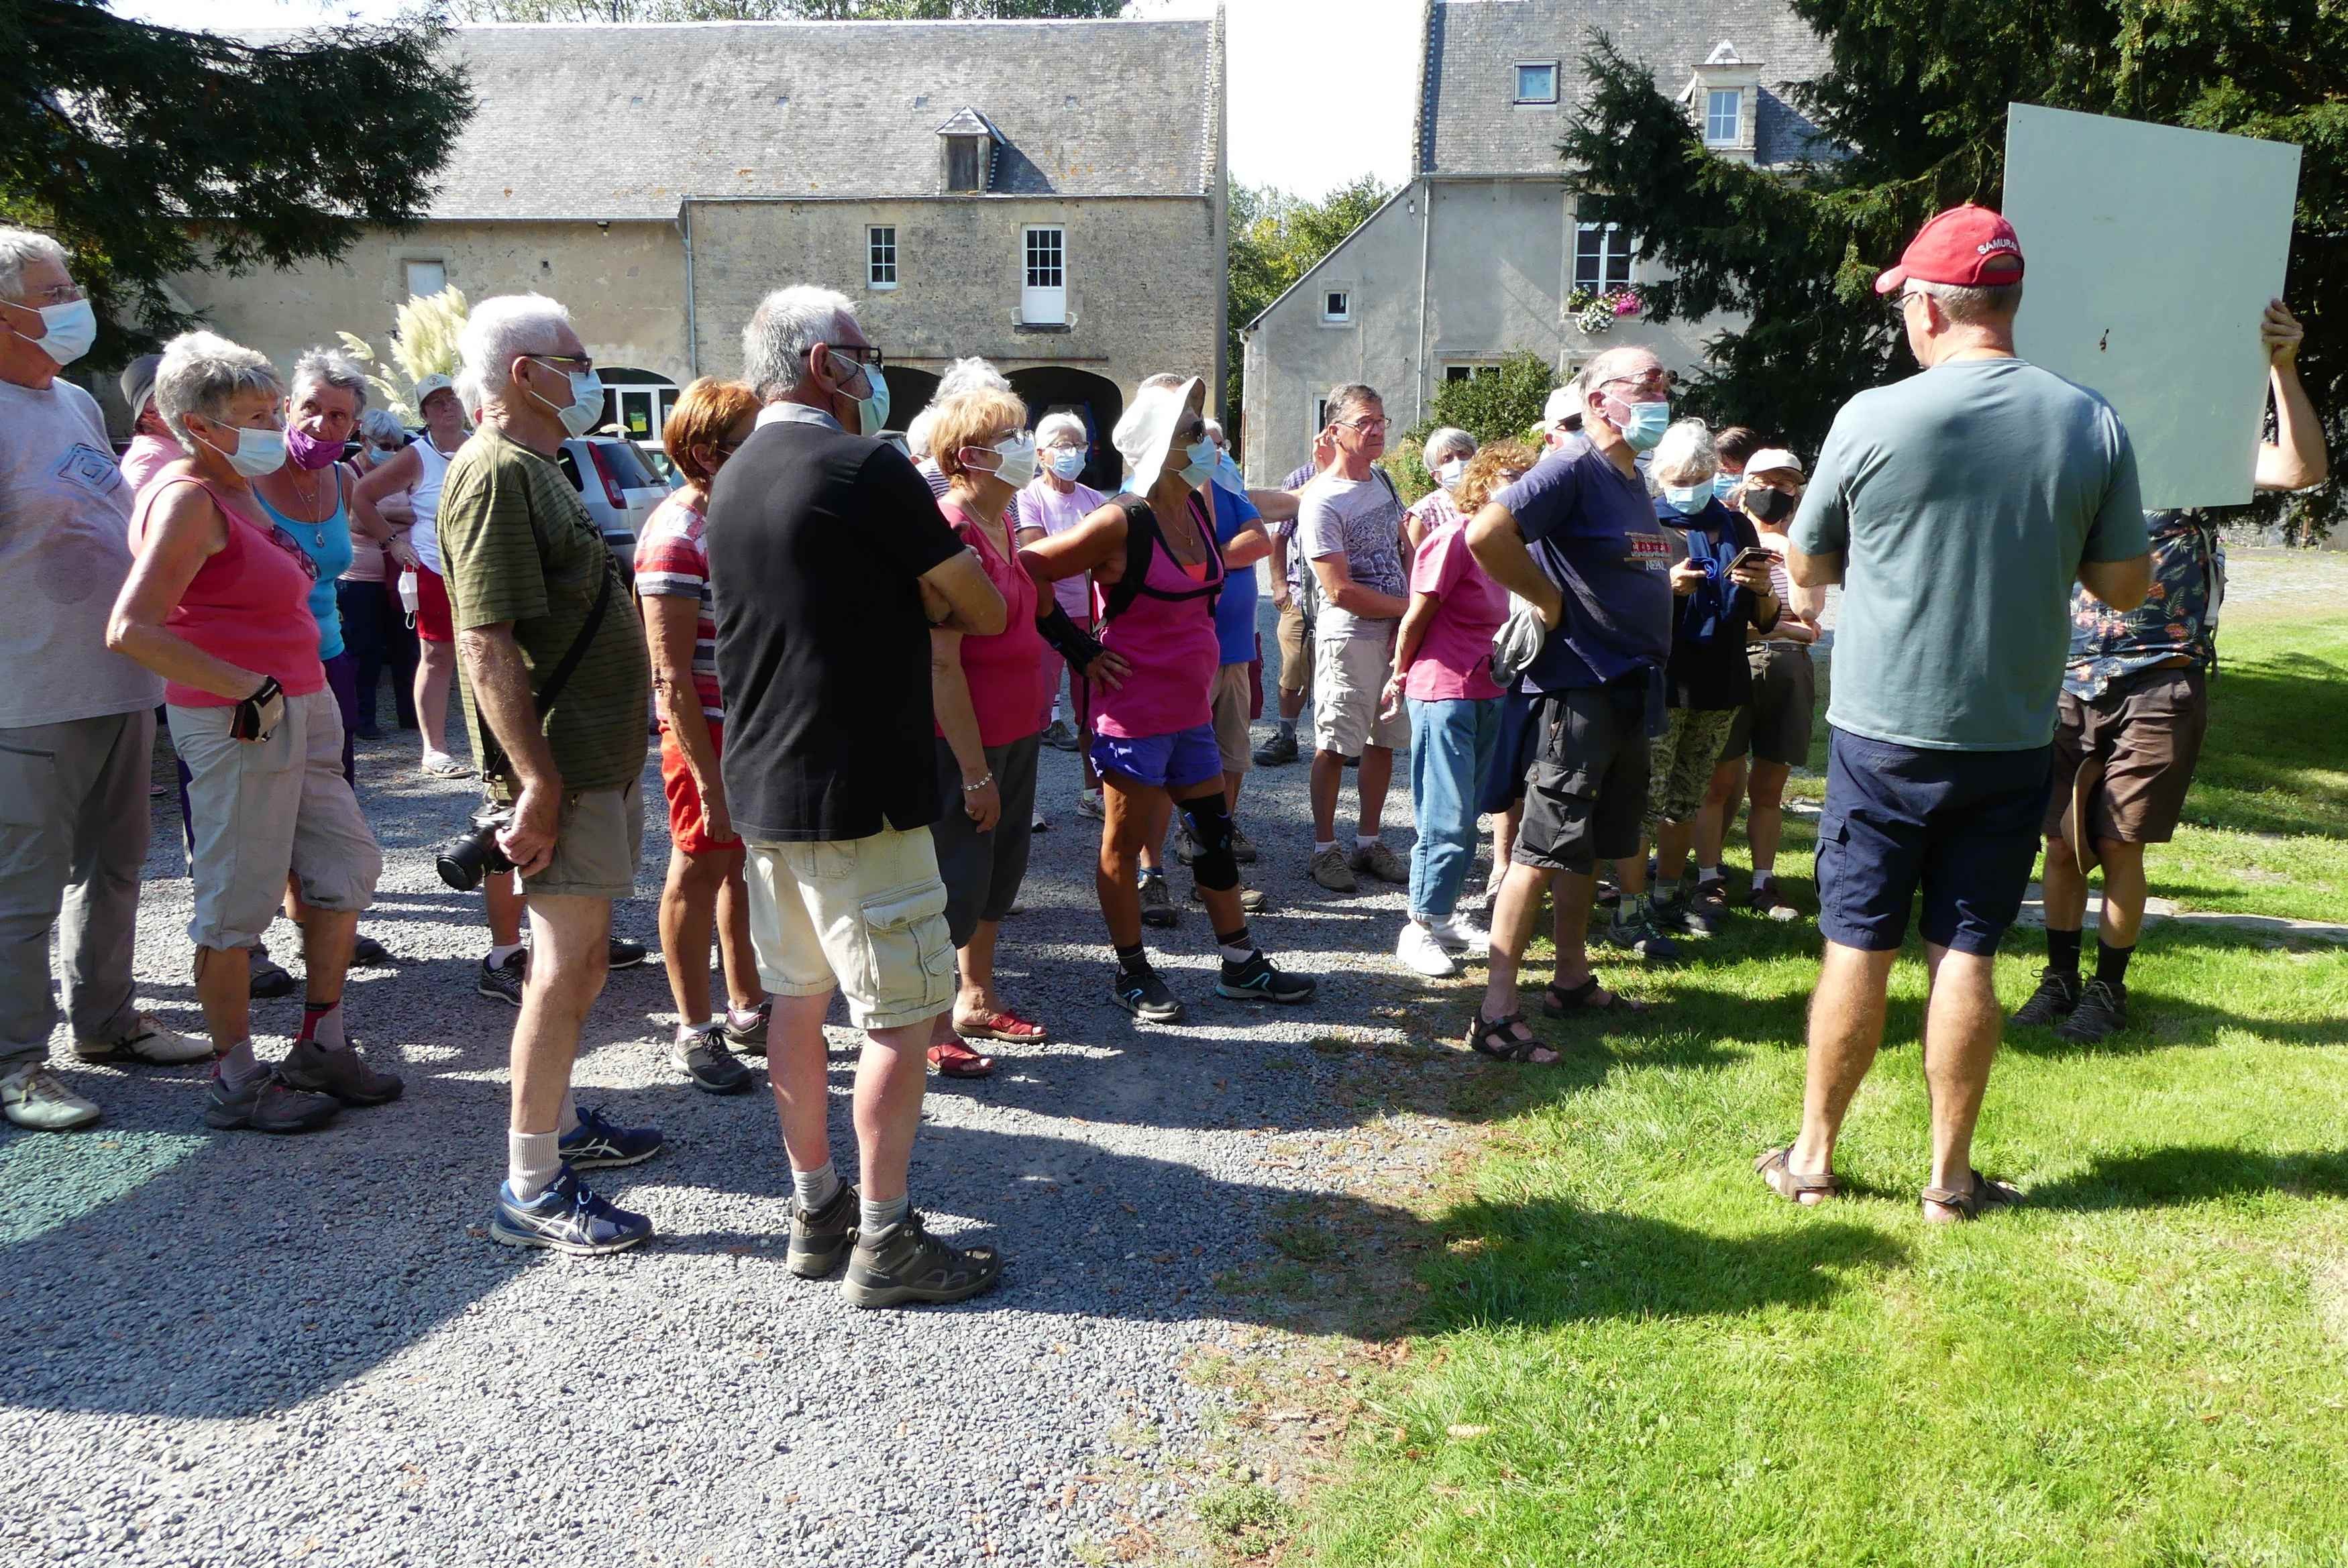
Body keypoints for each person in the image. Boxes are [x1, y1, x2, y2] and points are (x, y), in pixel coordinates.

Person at [1762, 205, 2149, 1223]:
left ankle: (1812, 1157)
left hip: (1884, 730)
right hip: (2012, 732)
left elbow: (1805, 563)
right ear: (2008, 303)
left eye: (1905, 303)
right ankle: (1948, 1180)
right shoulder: (2090, 419)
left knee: (1857, 941)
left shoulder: (1873, 417)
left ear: (1929, 307)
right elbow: (2124, 584)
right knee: (1968, 950)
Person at [709, 284, 1010, 1306]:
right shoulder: (861, 463)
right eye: (859, 350)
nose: (873, 367)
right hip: (862, 785)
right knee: (901, 1013)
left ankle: (817, 1206)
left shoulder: (737, 469)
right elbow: (977, 601)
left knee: (796, 1001)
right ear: (818, 365)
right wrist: (926, 585)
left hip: (767, 787)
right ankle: (886, 1240)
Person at [108, 330, 398, 1133]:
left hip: (300, 703)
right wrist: (248, 688)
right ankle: (236, 1079)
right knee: (236, 905)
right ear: (197, 424)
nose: (276, 425)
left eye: (275, 407)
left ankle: (321, 1041)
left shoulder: (241, 486)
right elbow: (131, 627)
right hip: (241, 717)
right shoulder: (187, 497)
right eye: (255, 413)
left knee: (345, 867)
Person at [2017, 298, 2327, 1044]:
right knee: (2060, 844)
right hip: (2064, 677)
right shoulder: (2070, 450)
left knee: (2119, 843)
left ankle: (2106, 990)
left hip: (2159, 677)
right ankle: (2057, 978)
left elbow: (2300, 467)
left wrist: (2281, 367)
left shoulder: (2190, 455)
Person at [437, 293, 665, 1255]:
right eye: (576, 359)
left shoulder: (534, 465)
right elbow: (484, 642)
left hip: (588, 767)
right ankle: (530, 1185)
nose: (591, 374)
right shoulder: (493, 473)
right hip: (561, 774)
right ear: (526, 374)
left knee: (574, 964)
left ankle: (562, 1126)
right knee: (563, 969)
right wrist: (532, 779)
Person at [1020, 374, 1318, 1023]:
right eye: (1191, 432)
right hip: (1133, 713)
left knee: (1211, 833)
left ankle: (1239, 963)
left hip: (1189, 711)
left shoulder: (1199, 507)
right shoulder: (1119, 519)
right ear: (1161, 446)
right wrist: (1081, 651)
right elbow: (1032, 568)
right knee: (1124, 844)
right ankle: (1131, 972)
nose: (1207, 441)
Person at [0, 227, 206, 1133]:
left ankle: (109, 1023)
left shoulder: (78, 403)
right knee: (21, 891)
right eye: (53, 291)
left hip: (115, 681)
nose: (74, 301)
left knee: (116, 866)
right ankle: (14, 1064)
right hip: (22, 695)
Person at [1463, 346, 1681, 1064]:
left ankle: (1570, 980)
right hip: (1578, 686)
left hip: (1624, 685)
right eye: (1645, 384)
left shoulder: (1629, 478)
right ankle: (1495, 1011)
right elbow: (1485, 532)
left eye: (1664, 383)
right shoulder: (1571, 468)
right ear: (1598, 399)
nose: (1659, 394)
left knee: (1583, 846)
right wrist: (1545, 599)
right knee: (1540, 847)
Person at [923, 385, 1121, 1078]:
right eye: (1009, 437)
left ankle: (976, 995)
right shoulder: (950, 528)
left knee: (1000, 869)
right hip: (962, 741)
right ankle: (928, 1021)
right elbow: (941, 661)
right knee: (955, 873)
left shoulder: (1006, 523)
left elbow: (1035, 616)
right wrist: (973, 771)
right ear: (969, 455)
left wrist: (1084, 650)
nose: (1024, 446)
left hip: (1017, 726)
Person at [637, 376, 771, 1097]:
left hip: (750, 732)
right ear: (705, 452)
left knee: (738, 868)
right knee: (696, 869)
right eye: (751, 442)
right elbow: (670, 677)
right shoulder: (675, 534)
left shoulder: (733, 520)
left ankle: (748, 1006)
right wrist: (708, 780)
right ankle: (694, 1027)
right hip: (706, 736)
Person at [246, 347, 398, 968]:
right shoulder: (249, 474)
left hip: (327, 655)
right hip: (255, 663)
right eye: (310, 408)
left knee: (329, 794)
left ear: (355, 424)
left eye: (339, 415)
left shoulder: (343, 480)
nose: (322, 426)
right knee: (253, 798)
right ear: (288, 407)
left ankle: (322, 916)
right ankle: (243, 942)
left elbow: (352, 544)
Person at [1383, 439, 1530, 977]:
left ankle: (1441, 917)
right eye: (1509, 474)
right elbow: (1414, 619)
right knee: (1443, 818)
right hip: (1443, 690)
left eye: (1526, 475)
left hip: (1489, 688)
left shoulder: (1510, 543)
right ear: (1484, 482)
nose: (1519, 484)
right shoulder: (1452, 539)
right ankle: (1417, 927)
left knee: (1467, 815)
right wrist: (1400, 676)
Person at [1637, 421, 1780, 940]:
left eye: (1699, 474)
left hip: (1720, 681)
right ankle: (1631, 908)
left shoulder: (1736, 526)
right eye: (1679, 475)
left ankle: (1668, 896)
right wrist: (1666, 590)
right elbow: (1618, 609)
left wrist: (1762, 587)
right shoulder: (1646, 523)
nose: (1690, 484)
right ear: (1661, 475)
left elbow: (1764, 618)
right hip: (1663, 681)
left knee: (1688, 797)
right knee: (1646, 800)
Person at [1696, 447, 1825, 921]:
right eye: (1766, 481)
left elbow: (1809, 615)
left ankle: (1763, 882)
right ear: (1744, 484)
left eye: (1788, 484)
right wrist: (1784, 628)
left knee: (1770, 788)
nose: (1776, 492)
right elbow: (1724, 617)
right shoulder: (1722, 534)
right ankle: (1708, 876)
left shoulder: (1802, 545)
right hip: (1730, 667)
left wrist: (1787, 553)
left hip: (1789, 674)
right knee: (1718, 782)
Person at [1298, 384, 1411, 893]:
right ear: (1335, 432)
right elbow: (1339, 590)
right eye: (1365, 422)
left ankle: (1369, 841)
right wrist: (1412, 609)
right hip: (1352, 638)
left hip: (1396, 635)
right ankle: (1325, 850)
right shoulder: (1321, 499)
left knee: (1383, 739)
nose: (1377, 430)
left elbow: (1403, 548)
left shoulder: (1384, 480)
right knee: (1336, 744)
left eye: (1381, 420)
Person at [354, 370, 469, 777]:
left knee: (490, 654)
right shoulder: (416, 455)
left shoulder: (481, 448)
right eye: (438, 402)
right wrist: (392, 542)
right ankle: (434, 749)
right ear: (425, 413)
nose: (448, 406)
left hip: (479, 569)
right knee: (437, 656)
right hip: (433, 566)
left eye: (452, 398)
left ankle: (495, 742)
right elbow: (362, 497)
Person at [1016, 411, 1106, 772]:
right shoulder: (1028, 497)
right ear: (1041, 454)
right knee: (1035, 707)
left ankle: (1093, 792)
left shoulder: (1095, 498)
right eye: (1063, 445)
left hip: (1090, 615)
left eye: (1079, 444)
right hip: (1046, 614)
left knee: (1090, 707)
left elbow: (1106, 557)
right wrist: (1086, 551)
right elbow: (1036, 556)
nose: (1073, 452)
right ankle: (1027, 802)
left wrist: (1072, 554)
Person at [1250, 435, 1332, 768]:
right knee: (1294, 667)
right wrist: (1279, 584)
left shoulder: (1376, 478)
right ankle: (1287, 736)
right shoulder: (1301, 478)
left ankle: (1342, 741)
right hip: (1302, 593)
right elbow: (1279, 535)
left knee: (1341, 669)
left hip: (1350, 596)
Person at [341, 406, 416, 739]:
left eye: (395, 445)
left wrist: (377, 512)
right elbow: (356, 519)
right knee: (365, 650)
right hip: (359, 578)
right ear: (364, 440)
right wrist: (394, 516)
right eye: (383, 444)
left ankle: (411, 716)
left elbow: (418, 512)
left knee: (407, 647)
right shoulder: (346, 472)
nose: (390, 451)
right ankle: (364, 719)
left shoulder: (402, 473)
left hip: (402, 575)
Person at [1403, 427, 1477, 553]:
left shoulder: (1496, 495)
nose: (1458, 462)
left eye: (1462, 454)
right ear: (1435, 475)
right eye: (1447, 459)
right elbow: (1416, 566)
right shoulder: (1424, 514)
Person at [117, 353, 180, 496]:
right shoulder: (151, 458)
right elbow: (130, 514)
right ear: (152, 411)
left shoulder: (173, 448)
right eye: (181, 394)